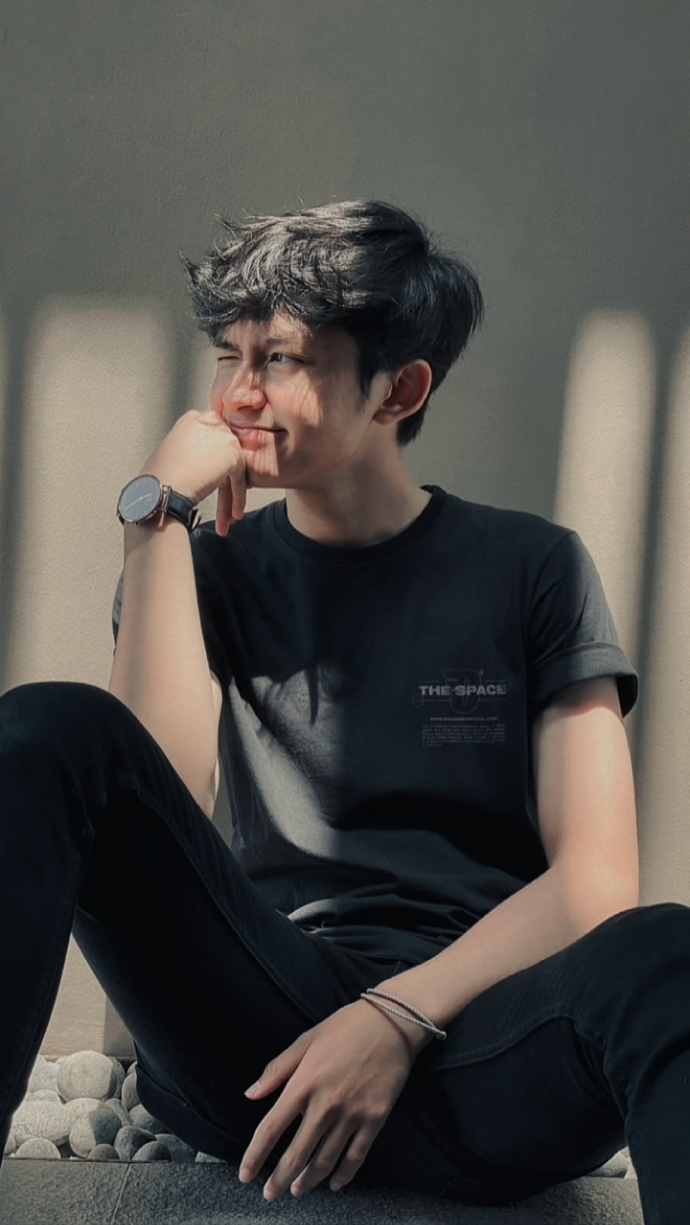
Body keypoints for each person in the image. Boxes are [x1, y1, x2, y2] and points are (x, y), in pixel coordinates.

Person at [0, 201, 688, 1223]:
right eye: (229, 356)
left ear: (399, 389)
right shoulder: (205, 570)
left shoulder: (533, 567)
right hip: (263, 1050)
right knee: (48, 727)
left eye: (279, 359)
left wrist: (396, 1015)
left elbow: (595, 879)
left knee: (667, 950)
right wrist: (156, 521)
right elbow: (152, 800)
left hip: (485, 1048)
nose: (239, 393)